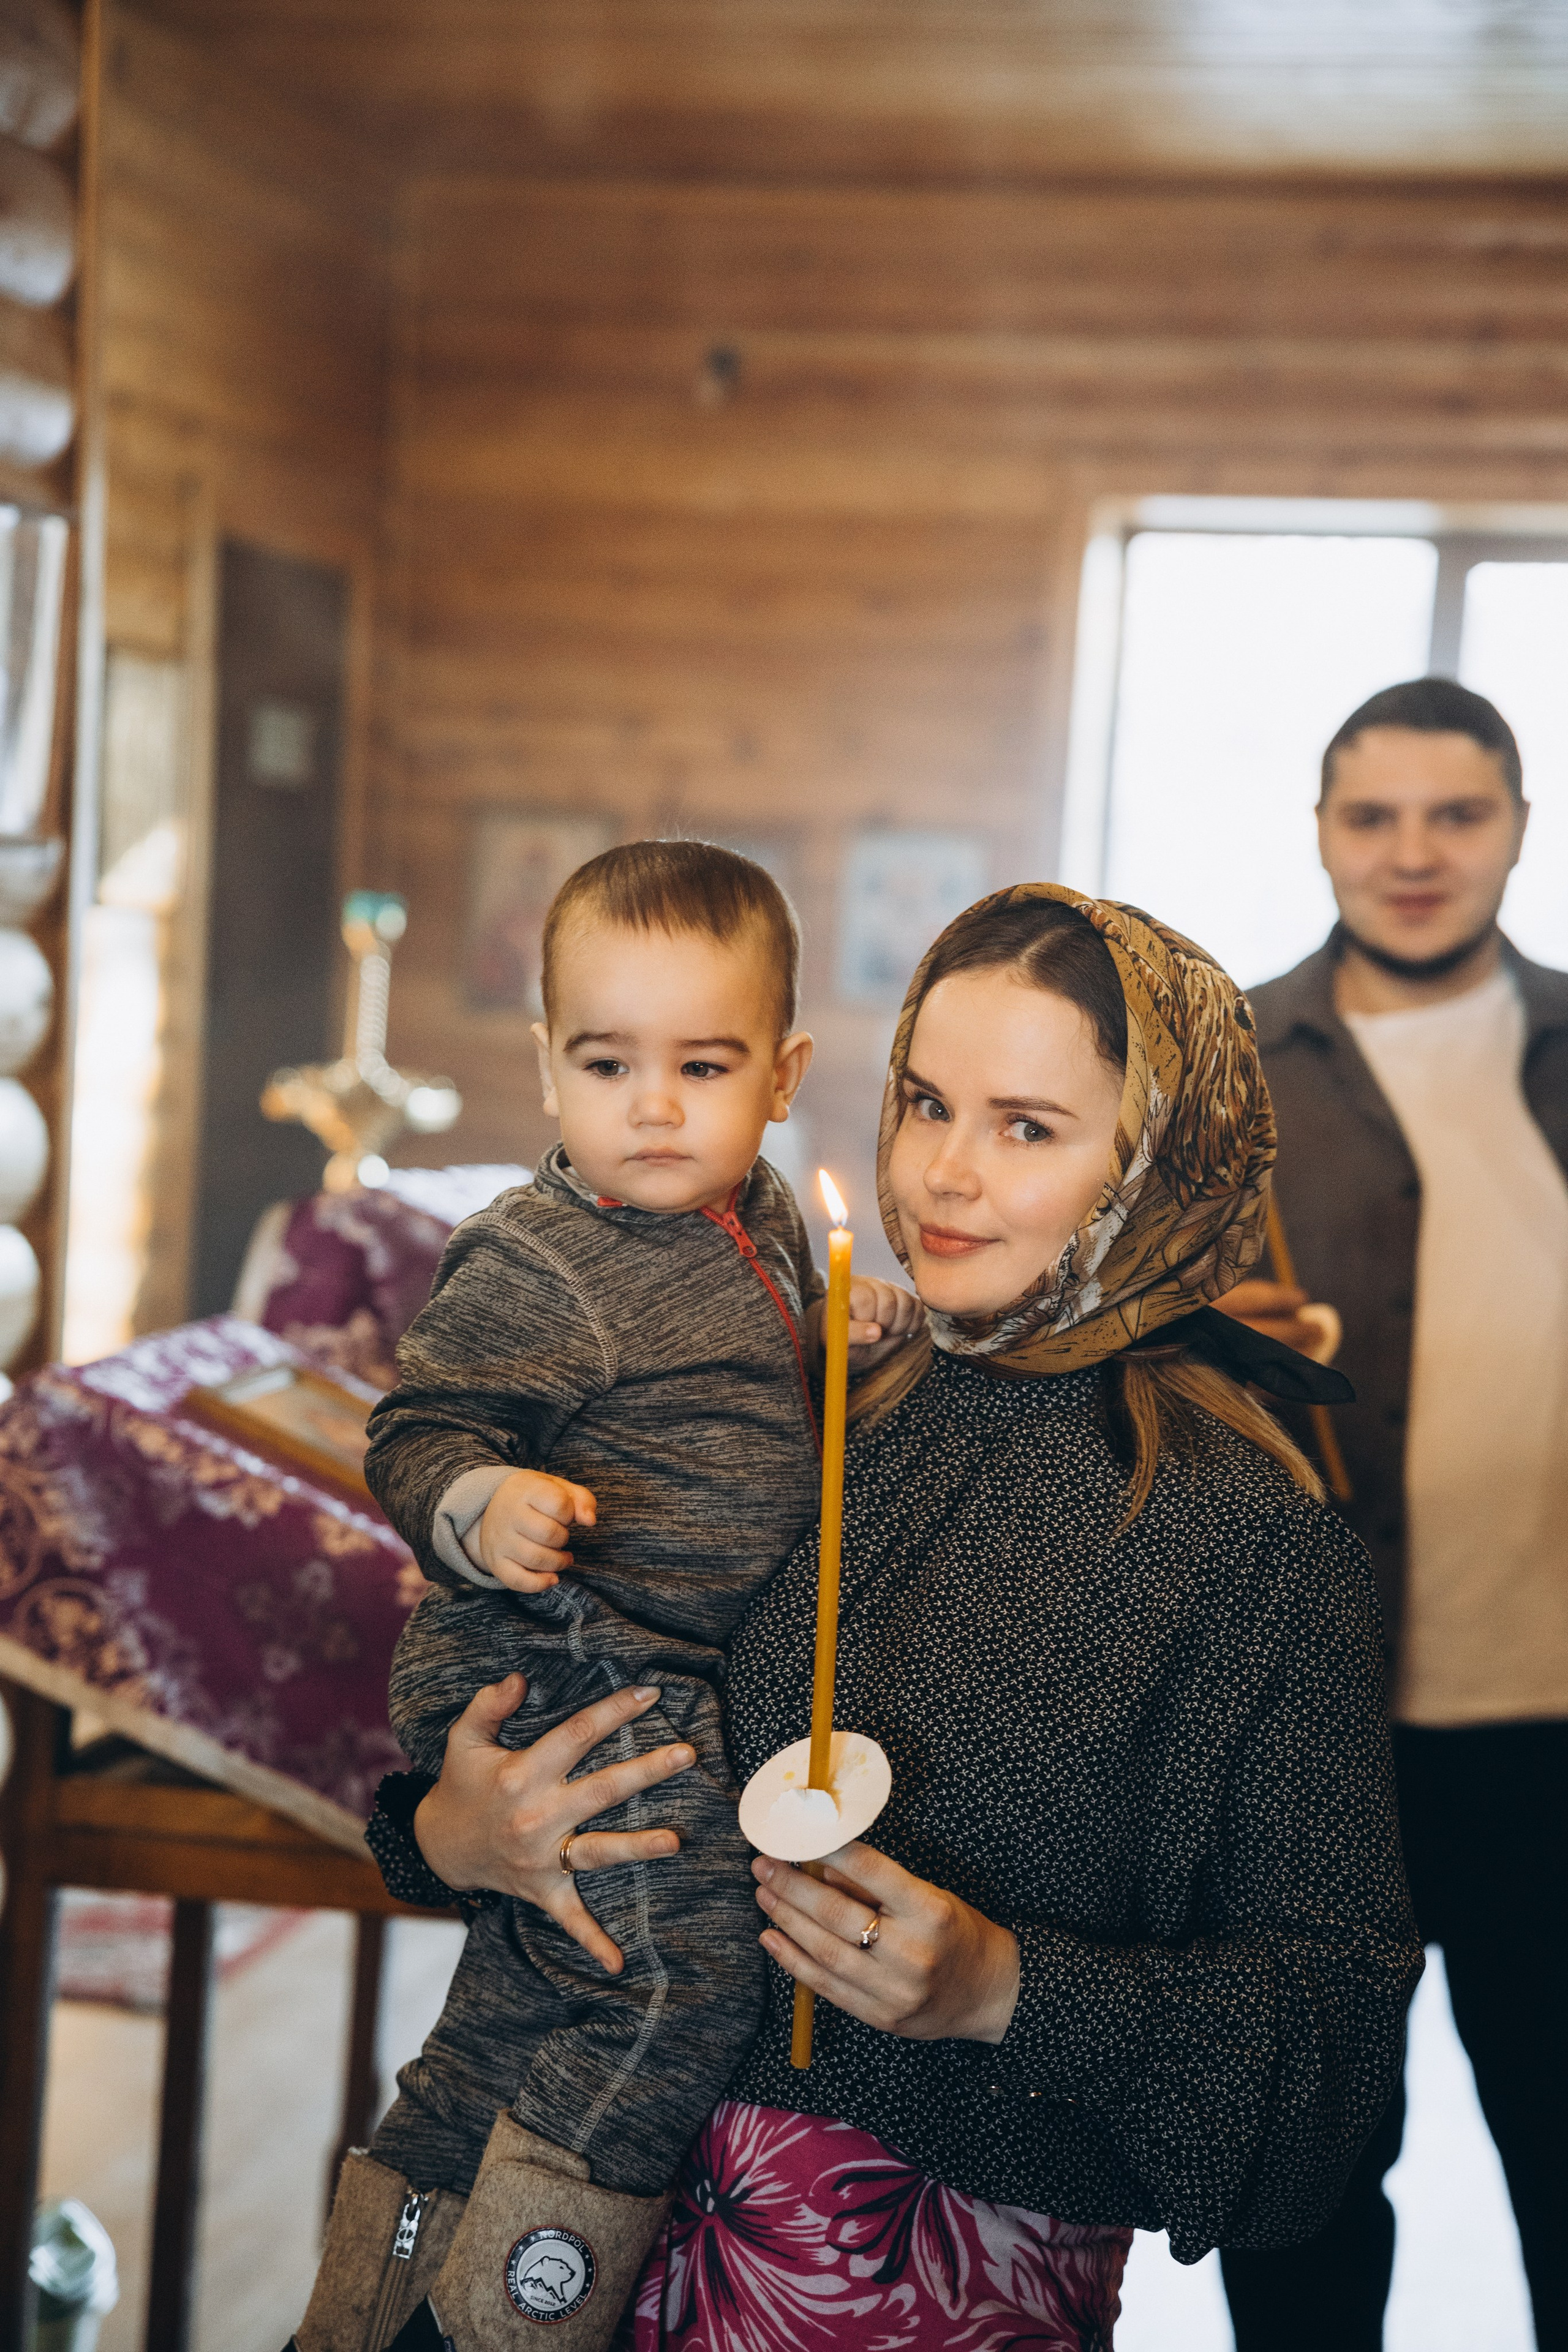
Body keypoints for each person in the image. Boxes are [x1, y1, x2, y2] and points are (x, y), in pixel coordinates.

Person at [305, 886, 1422, 2352]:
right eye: (923, 1104)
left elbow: (1330, 2073)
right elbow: (573, 1702)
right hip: (533, 2216)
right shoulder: (808, 1398)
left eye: (1026, 1127)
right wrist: (450, 1836)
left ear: (1159, 1157)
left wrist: (1005, 1991)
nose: (946, 1176)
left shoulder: (1247, 1546)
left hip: (894, 2300)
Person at [295, 840, 921, 2352]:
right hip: (556, 1667)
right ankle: (522, 2307)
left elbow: (768, 1352)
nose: (652, 1104)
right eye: (607, 1060)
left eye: (700, 1064)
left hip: (650, 1667)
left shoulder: (758, 1211)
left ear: (780, 1075)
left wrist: (856, 1323)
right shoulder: (536, 1257)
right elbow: (415, 1428)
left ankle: (369, 2302)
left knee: (528, 1984)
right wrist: (478, 1502)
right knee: (688, 1972)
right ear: (547, 1064)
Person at [1216, 676, 1568, 2352]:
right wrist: (1195, 1343)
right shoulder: (1228, 1072)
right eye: (1374, 816)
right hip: (1306, 1743)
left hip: (1552, 1740)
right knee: (1305, 2184)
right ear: (1320, 834)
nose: (1414, 854)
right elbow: (1099, 1359)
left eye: (1457, 814)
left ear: (1517, 827)